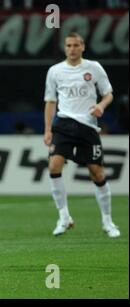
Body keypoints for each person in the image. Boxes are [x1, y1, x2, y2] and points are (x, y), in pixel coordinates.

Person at [44, 32, 120, 238]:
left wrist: (101, 106)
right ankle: (64, 217)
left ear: (83, 47)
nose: (72, 49)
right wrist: (48, 129)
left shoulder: (93, 68)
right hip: (64, 124)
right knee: (54, 166)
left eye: (76, 45)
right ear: (65, 48)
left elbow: (108, 93)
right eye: (69, 45)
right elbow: (50, 101)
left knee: (97, 172)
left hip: (87, 126)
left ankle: (107, 221)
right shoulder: (55, 71)